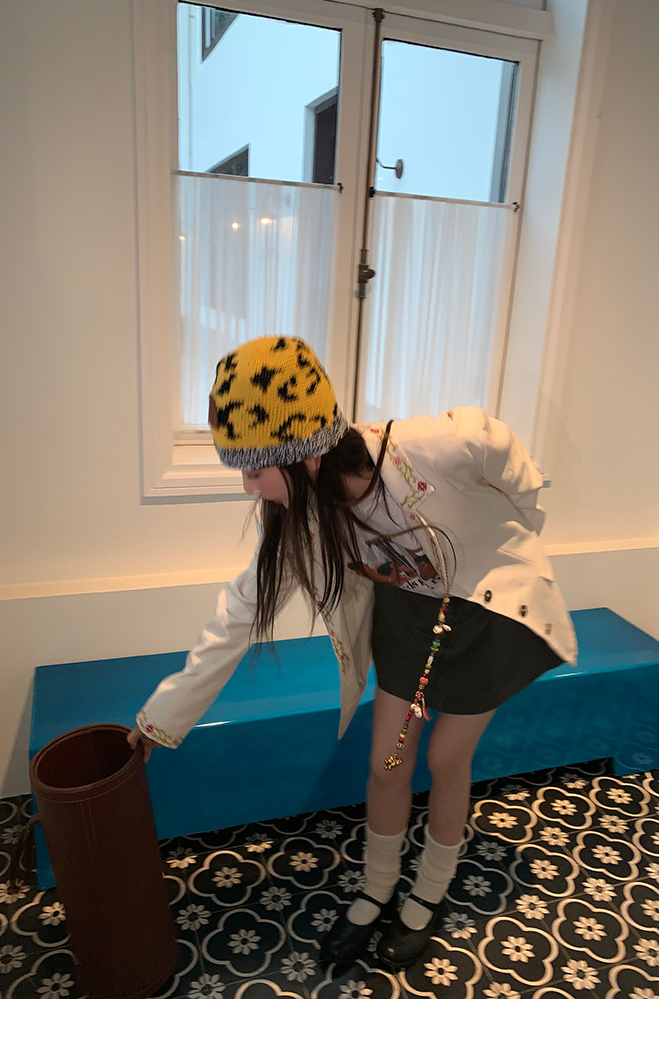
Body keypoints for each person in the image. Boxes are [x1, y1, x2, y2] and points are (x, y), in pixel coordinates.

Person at [128, 334, 578, 971]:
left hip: (484, 620)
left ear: (304, 456)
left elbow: (496, 445)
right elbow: (237, 615)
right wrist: (160, 718)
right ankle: (377, 887)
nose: (251, 487)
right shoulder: (305, 516)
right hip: (411, 626)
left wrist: (521, 526)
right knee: (388, 764)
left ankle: (429, 892)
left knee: (447, 758)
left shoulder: (428, 448)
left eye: (255, 471)